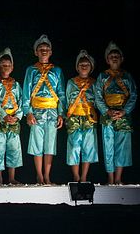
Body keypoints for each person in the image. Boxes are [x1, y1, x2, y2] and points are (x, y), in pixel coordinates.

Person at [22, 34, 66, 185]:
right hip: (37, 111)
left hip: (53, 111)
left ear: (51, 52)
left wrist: (61, 114)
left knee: (50, 144)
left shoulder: (57, 70)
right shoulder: (31, 70)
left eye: (47, 48)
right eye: (41, 49)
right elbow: (26, 93)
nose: (44, 50)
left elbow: (61, 93)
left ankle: (47, 175)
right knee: (36, 144)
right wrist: (28, 112)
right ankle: (39, 175)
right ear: (36, 52)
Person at [94, 41, 137, 185]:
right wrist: (107, 110)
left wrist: (124, 111)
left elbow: (133, 95)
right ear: (107, 59)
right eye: (111, 55)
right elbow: (98, 96)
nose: (114, 57)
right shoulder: (102, 76)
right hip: (108, 115)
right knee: (108, 145)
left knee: (122, 147)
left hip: (123, 115)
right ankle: (110, 178)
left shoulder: (127, 76)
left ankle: (118, 178)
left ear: (121, 58)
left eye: (116, 55)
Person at [65, 50, 98, 183]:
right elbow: (67, 99)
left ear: (91, 68)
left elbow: (97, 99)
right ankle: (76, 176)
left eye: (87, 65)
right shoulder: (71, 82)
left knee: (88, 147)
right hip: (74, 116)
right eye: (81, 64)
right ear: (77, 67)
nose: (84, 66)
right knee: (74, 146)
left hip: (89, 116)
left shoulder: (94, 82)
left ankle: (84, 176)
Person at [0, 47, 23, 185]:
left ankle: (11, 177)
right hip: (0, 119)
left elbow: (22, 101)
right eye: (3, 65)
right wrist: (3, 115)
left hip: (14, 120)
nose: (6, 68)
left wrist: (17, 116)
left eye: (8, 65)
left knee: (14, 149)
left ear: (12, 67)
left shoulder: (16, 85)